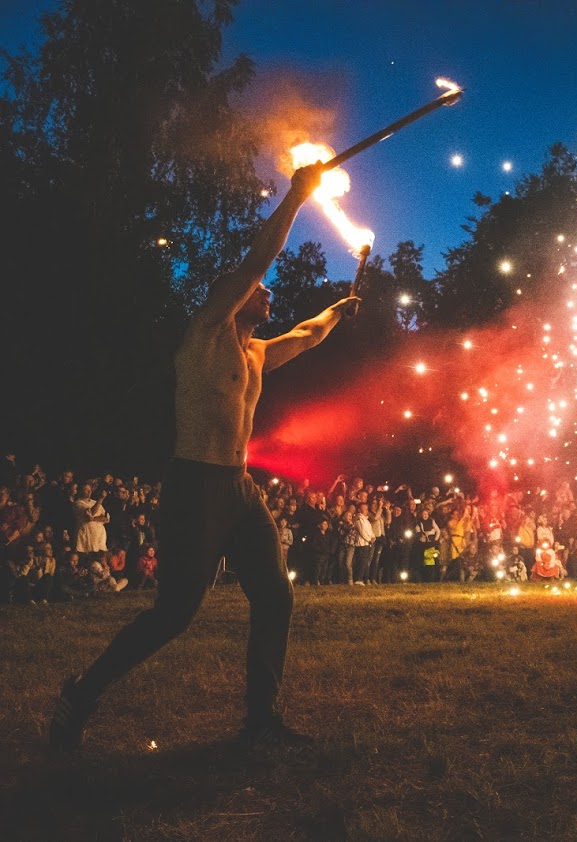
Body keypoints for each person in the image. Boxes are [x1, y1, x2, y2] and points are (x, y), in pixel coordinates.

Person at [50, 163, 358, 753]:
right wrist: (297, 196)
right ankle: (81, 695)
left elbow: (309, 334)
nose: (268, 292)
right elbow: (254, 263)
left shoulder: (258, 352)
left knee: (275, 596)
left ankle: (260, 721)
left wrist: (339, 310)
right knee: (174, 614)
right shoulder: (205, 334)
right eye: (260, 290)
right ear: (235, 297)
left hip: (239, 490)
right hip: (194, 485)